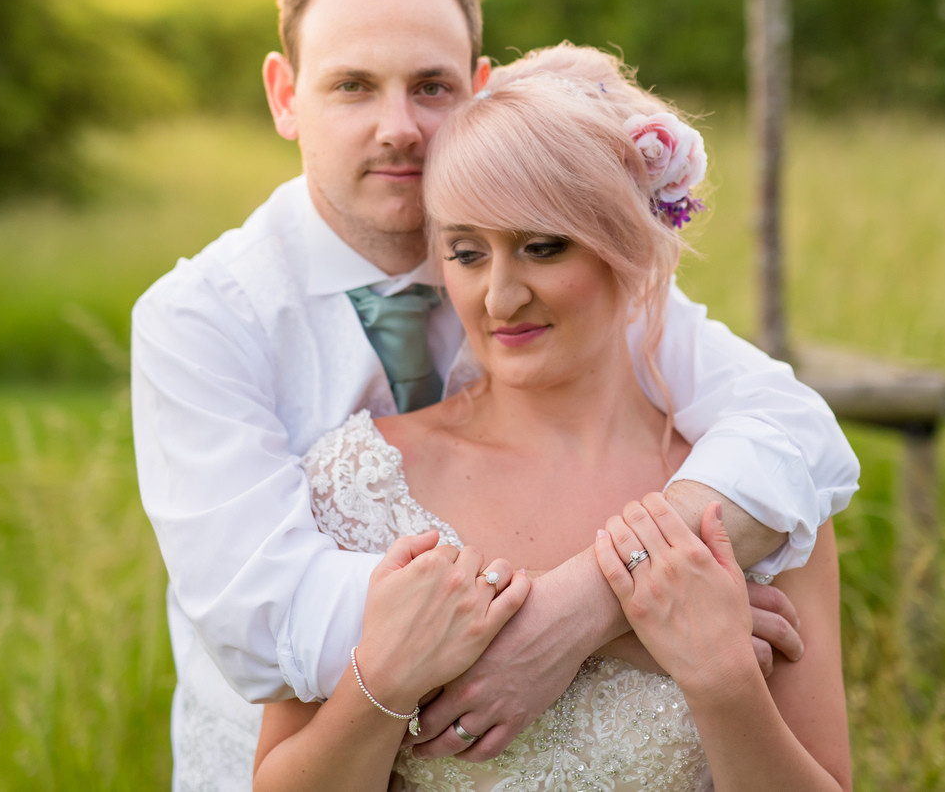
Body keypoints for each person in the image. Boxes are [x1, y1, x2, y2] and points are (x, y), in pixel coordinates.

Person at [131, 0, 858, 790]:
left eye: (430, 87)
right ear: (286, 95)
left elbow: (795, 432)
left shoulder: (563, 270)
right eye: (353, 85)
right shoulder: (202, 319)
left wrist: (594, 605)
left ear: (476, 87)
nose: (399, 126)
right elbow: (270, 625)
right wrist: (642, 621)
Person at [250, 44, 851, 791]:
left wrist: (724, 680)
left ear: (627, 246)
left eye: (542, 247)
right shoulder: (359, 481)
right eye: (468, 253)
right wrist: (386, 679)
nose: (500, 298)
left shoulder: (759, 502)